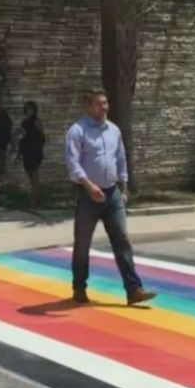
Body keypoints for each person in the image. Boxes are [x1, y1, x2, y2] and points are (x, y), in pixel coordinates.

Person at [64, 90, 156, 306]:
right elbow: (73, 164)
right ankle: (79, 288)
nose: (104, 107)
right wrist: (88, 186)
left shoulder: (114, 130)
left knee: (122, 241)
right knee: (82, 245)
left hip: (112, 194)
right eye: (99, 104)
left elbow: (121, 158)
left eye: (106, 103)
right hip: (88, 196)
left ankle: (134, 290)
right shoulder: (77, 131)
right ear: (89, 106)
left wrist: (123, 187)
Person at [15, 101, 45, 208]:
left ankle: (34, 201)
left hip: (34, 151)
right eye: (27, 109)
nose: (29, 111)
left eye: (31, 109)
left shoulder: (37, 122)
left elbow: (41, 137)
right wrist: (19, 153)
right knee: (31, 178)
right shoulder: (24, 122)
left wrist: (37, 150)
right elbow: (22, 138)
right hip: (26, 151)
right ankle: (36, 198)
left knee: (34, 176)